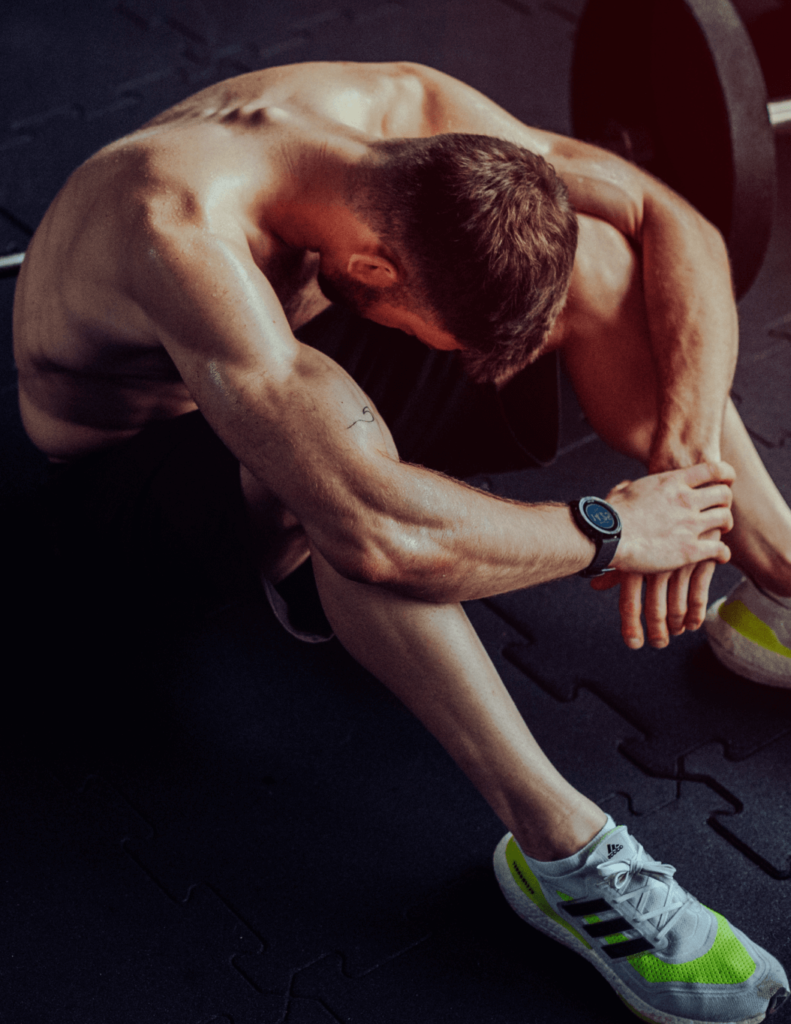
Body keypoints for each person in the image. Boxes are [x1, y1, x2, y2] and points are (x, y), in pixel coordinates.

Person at [12, 61, 790, 1022]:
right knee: (343, 485)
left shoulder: (410, 114)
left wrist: (686, 464)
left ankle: (781, 581)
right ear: (375, 271)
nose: (463, 365)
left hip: (289, 364)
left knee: (591, 253)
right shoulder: (177, 228)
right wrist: (615, 529)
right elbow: (377, 530)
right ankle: (566, 858)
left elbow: (673, 220)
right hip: (122, 499)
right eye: (447, 340)